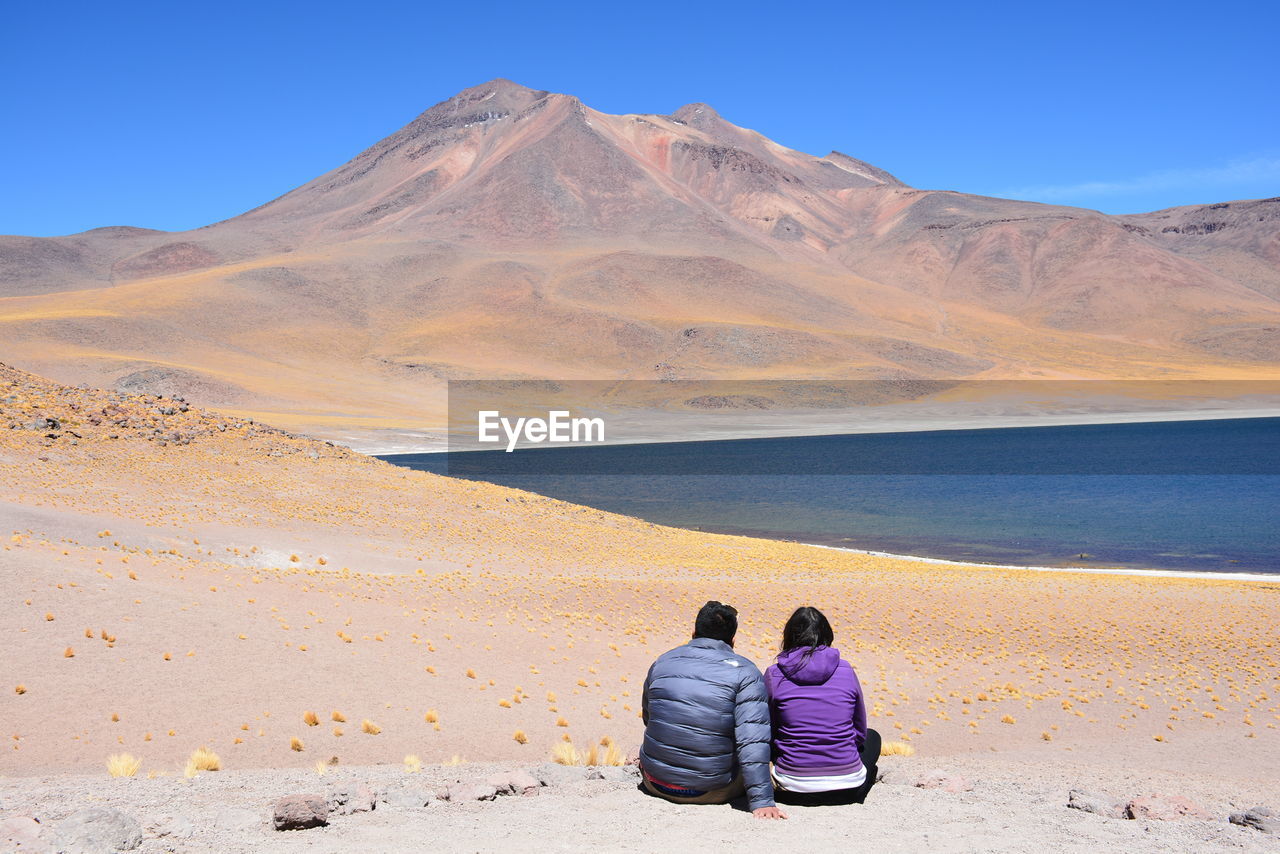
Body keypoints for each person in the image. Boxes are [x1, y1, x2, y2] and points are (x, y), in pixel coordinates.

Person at [640, 601, 787, 819]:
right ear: (733, 641)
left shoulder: (662, 661)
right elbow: (752, 741)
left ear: (693, 633)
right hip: (708, 790)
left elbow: (648, 716)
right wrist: (762, 801)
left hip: (655, 781)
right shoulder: (746, 673)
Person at [764, 606, 881, 806]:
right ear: (827, 635)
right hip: (848, 788)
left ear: (788, 637)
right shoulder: (845, 670)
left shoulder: (774, 674)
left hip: (791, 788)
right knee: (873, 737)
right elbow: (860, 730)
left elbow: (768, 728)